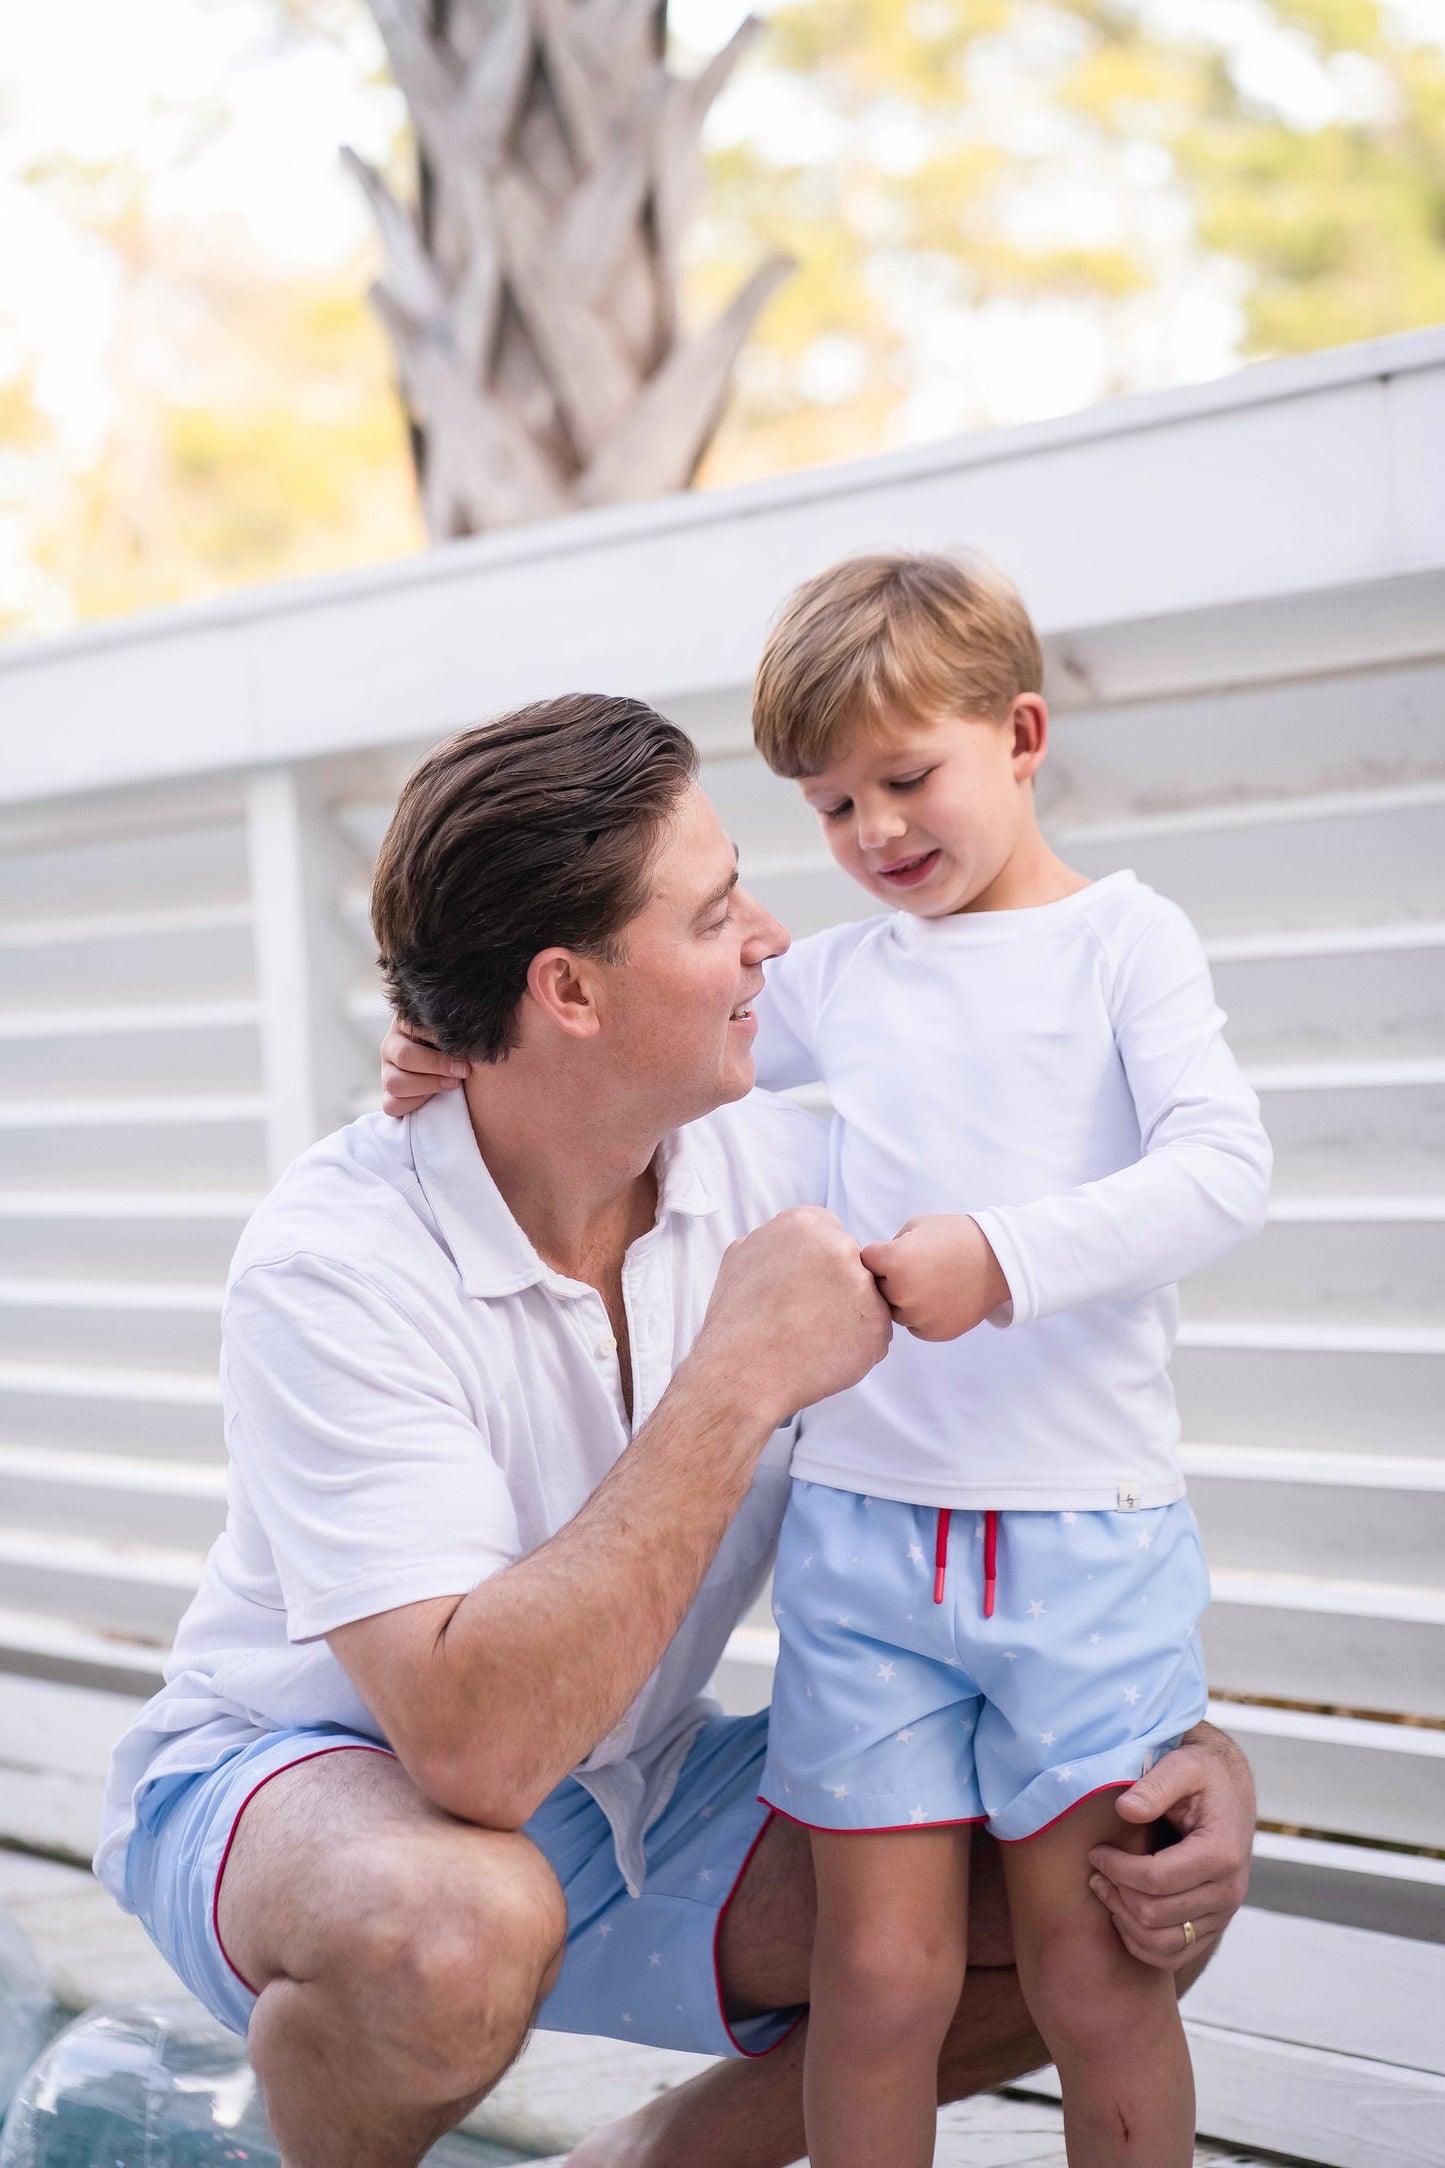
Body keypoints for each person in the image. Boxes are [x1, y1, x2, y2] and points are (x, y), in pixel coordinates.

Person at [98, 691, 1253, 2168]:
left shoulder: (796, 1172)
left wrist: (1182, 1746)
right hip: (316, 1789)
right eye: (712, 915)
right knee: (454, 1928)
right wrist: (733, 1378)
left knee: (1109, 1891)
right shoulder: (334, 1260)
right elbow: (475, 1756)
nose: (770, 936)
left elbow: (1026, 1451)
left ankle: (636, 2163)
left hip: (639, 1785)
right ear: (568, 994)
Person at [737, 551, 1271, 2168]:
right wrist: (447, 1047)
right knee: (877, 1979)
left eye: (905, 779)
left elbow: (1221, 1168)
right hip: (862, 1536)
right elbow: (666, 1061)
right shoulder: (832, 979)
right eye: (830, 808)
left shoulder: (1124, 941)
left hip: (1080, 1534)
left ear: (1020, 733)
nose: (874, 835)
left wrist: (1005, 1260)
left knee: (1094, 1974)